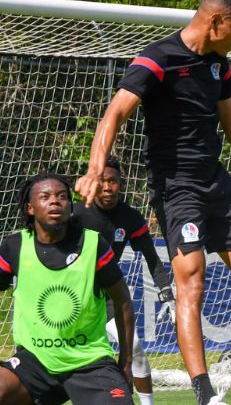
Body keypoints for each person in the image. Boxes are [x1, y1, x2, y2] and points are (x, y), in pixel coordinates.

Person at [75, 0, 231, 405]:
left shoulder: (219, 65)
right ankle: (205, 395)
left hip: (216, 182)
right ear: (215, 21)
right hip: (176, 188)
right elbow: (115, 112)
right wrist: (93, 168)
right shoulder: (157, 59)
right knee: (191, 279)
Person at [0, 173, 135, 405]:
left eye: (62, 197)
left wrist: (126, 363)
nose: (55, 201)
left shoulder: (93, 245)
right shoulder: (15, 247)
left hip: (89, 360)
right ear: (30, 208)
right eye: (45, 197)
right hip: (37, 361)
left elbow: (123, 301)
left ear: (70, 206)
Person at [72, 154, 176, 405]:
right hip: (72, 296)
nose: (108, 188)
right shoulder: (75, 212)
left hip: (105, 298)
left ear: (121, 183)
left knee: (136, 348)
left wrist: (167, 294)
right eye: (102, 181)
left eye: (114, 181)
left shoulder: (130, 218)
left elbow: (152, 259)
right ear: (93, 182)